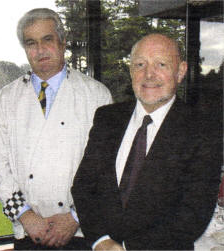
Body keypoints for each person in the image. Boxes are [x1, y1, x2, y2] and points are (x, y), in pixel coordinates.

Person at [72, 33, 222, 250]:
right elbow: (83, 187)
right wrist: (101, 241)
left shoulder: (202, 129)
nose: (149, 74)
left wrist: (126, 248)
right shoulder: (107, 118)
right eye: (140, 64)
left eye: (161, 64)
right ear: (131, 71)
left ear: (180, 71)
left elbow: (194, 213)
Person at [0, 8, 112, 250]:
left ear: (62, 43)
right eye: (31, 43)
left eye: (47, 39)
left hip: (81, 232)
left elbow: (108, 168)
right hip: (29, 233)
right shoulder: (6, 97)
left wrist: (75, 217)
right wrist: (25, 216)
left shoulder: (96, 95)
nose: (40, 50)